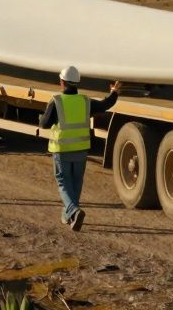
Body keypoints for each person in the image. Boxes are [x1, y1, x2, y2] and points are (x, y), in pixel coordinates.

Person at [39, 66, 121, 231]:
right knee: (76, 183)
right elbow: (105, 105)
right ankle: (71, 216)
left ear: (61, 82)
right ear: (77, 83)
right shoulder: (85, 102)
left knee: (63, 183)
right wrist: (114, 92)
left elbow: (44, 124)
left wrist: (41, 116)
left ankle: (73, 211)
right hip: (81, 150)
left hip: (62, 149)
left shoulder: (56, 101)